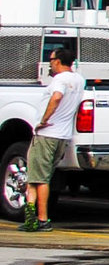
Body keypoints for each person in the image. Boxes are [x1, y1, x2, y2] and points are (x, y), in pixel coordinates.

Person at [25, 45, 82, 231]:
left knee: (38, 179)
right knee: (39, 177)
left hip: (47, 134)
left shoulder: (59, 79)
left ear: (58, 61)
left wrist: (43, 120)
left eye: (51, 60)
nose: (50, 64)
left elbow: (57, 97)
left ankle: (41, 220)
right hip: (62, 136)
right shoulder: (79, 80)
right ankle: (30, 219)